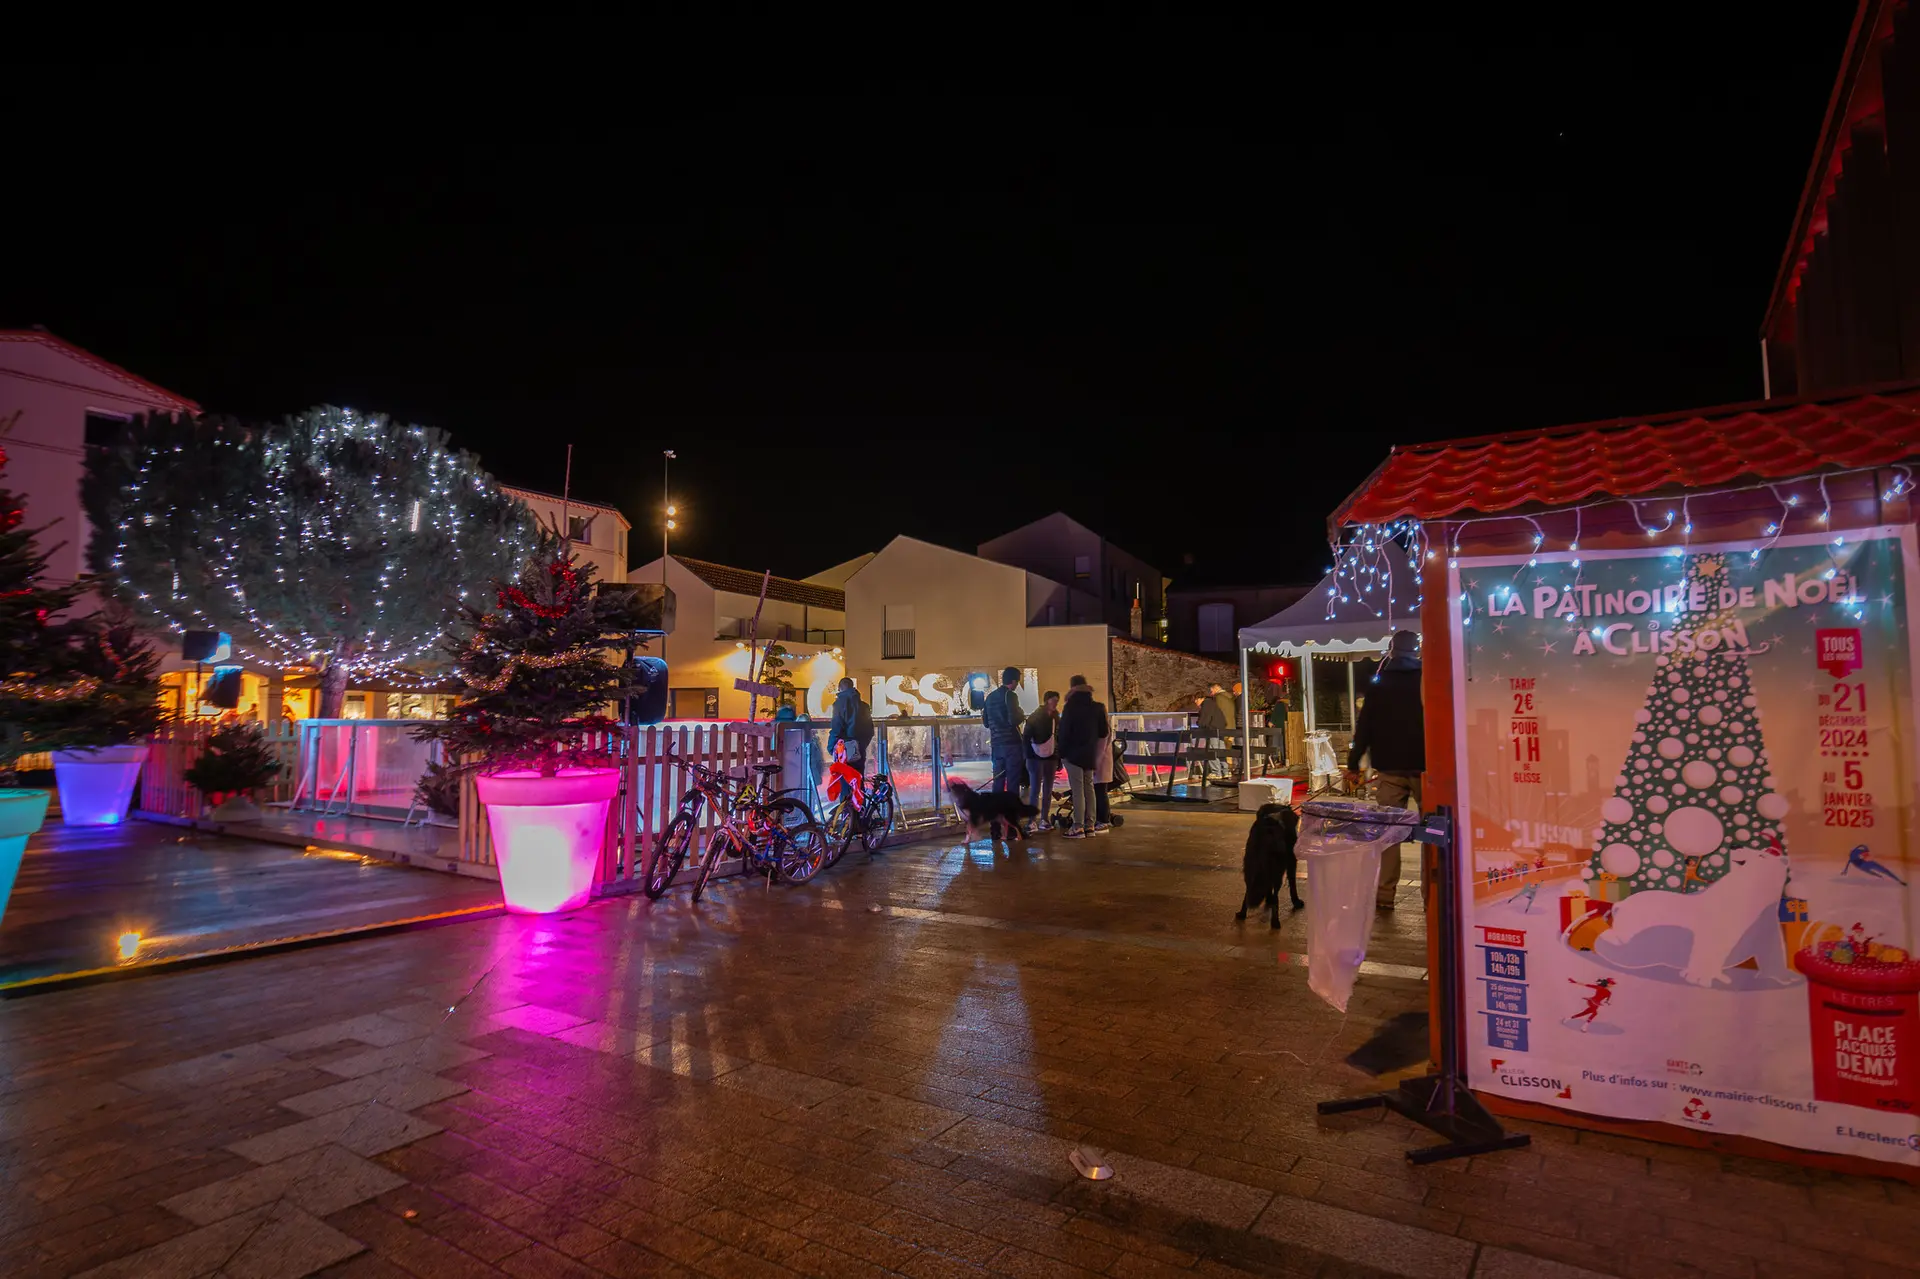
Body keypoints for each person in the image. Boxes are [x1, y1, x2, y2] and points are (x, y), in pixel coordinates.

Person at [1343, 630, 1424, 910]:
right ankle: (1432, 895)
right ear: (1417, 650)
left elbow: (1364, 727)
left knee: (1389, 833)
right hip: (1427, 768)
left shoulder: (1379, 684)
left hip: (1388, 767)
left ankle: (1385, 894)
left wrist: (1353, 764)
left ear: (1391, 651)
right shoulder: (1428, 680)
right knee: (1433, 834)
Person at [1054, 675, 1109, 837]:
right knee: (1089, 788)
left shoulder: (1070, 707)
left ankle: (1078, 826)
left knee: (1078, 791)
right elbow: (1103, 732)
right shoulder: (1098, 707)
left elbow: (1063, 733)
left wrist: (1062, 754)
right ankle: (1090, 825)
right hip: (1089, 754)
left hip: (1072, 754)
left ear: (1072, 688)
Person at [982, 666, 1025, 795]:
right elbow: (1014, 720)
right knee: (1013, 779)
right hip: (1011, 743)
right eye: (1017, 682)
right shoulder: (1010, 695)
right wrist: (1021, 714)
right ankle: (1011, 811)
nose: (1017, 685)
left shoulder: (989, 697)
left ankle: (997, 810)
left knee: (998, 779)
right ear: (1013, 681)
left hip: (996, 743)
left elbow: (986, 723)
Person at [1023, 691, 1061, 832]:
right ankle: (1034, 820)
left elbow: (1058, 737)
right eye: (1053, 700)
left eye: (1057, 700)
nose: (1056, 703)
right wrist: (1029, 756)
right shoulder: (1038, 717)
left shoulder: (1053, 717)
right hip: (1038, 758)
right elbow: (1026, 738)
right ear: (1046, 701)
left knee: (1046, 789)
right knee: (1037, 789)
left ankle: (1042, 819)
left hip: (1047, 757)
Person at [828, 677, 875, 771]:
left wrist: (831, 747)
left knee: (845, 779)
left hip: (844, 750)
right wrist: (861, 745)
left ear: (840, 688)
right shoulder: (864, 706)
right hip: (859, 749)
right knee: (857, 778)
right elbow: (870, 730)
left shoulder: (838, 704)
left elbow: (837, 728)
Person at [1196, 684, 1228, 783]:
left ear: (1201, 698)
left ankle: (1216, 772)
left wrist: (1199, 724)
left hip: (1212, 730)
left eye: (1196, 700)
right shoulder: (1212, 703)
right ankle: (1225, 771)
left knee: (1212, 750)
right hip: (1220, 729)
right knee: (1221, 750)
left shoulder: (1206, 704)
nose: (1195, 702)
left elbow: (1204, 719)